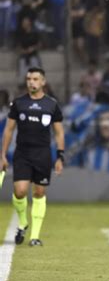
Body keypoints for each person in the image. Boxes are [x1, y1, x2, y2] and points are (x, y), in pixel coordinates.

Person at [1, 67, 64, 246]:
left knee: (39, 192)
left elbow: (59, 133)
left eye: (36, 79)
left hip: (43, 154)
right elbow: (9, 130)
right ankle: (23, 223)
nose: (31, 82)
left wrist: (60, 156)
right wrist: (2, 155)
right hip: (23, 153)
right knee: (20, 191)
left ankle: (34, 236)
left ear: (43, 82)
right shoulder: (18, 103)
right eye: (29, 79)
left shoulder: (52, 105)